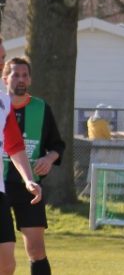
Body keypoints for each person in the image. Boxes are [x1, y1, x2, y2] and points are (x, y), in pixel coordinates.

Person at [1, 58, 63, 275]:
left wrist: (49, 159)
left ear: (31, 79)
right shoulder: (1, 105)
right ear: (5, 77)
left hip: (29, 187)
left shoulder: (41, 108)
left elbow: (57, 145)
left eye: (25, 75)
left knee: (36, 248)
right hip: (2, 185)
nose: (21, 79)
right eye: (15, 75)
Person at [0, 38, 44, 275]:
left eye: (3, 57)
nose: (2, 63)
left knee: (7, 264)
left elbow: (15, 146)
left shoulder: (4, 102)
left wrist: (28, 179)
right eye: (0, 58)